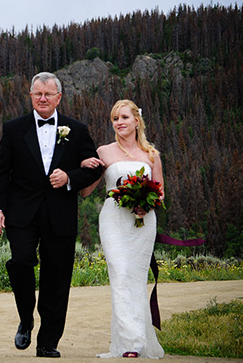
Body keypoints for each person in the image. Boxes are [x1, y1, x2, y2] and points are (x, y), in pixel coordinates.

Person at [0, 72, 103, 358]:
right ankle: (26, 318)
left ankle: (48, 341)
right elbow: (1, 172)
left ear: (58, 97)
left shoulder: (76, 130)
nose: (42, 98)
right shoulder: (14, 129)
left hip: (60, 215)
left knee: (57, 276)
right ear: (30, 96)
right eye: (37, 94)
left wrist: (70, 177)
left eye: (48, 94)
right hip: (21, 213)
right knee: (21, 261)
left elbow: (95, 167)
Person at [80, 99, 165, 359]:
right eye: (115, 119)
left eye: (124, 118)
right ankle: (132, 342)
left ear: (136, 121)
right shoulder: (104, 151)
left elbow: (160, 193)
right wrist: (85, 168)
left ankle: (137, 338)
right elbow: (85, 192)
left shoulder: (152, 155)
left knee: (136, 279)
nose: (119, 123)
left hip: (142, 222)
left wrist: (147, 205)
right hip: (113, 221)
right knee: (120, 273)